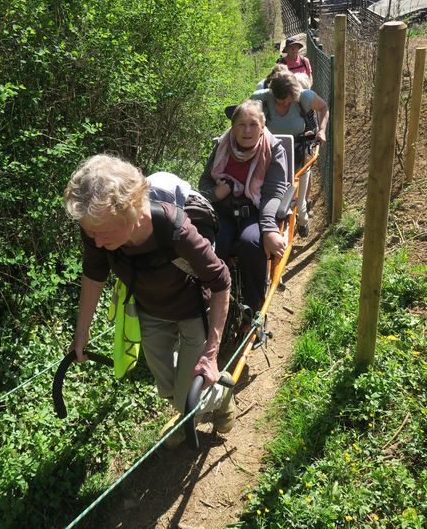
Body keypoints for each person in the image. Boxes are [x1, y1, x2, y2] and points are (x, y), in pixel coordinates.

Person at [64, 154, 235, 447]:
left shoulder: (175, 229)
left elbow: (221, 282)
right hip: (150, 312)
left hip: (193, 312)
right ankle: (186, 408)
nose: (97, 242)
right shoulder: (96, 228)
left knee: (185, 399)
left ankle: (217, 396)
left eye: (103, 233)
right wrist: (81, 333)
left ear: (132, 211)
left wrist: (211, 353)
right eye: (91, 233)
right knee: (165, 387)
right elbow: (94, 274)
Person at [199, 100, 288, 315]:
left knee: (252, 244)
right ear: (232, 126)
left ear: (262, 126)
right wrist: (216, 193)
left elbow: (273, 193)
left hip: (255, 213)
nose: (247, 130)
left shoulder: (274, 148)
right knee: (210, 246)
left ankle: (253, 311)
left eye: (253, 124)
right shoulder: (222, 145)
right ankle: (207, 305)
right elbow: (204, 184)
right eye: (240, 124)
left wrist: (269, 229)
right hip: (224, 211)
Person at [250, 70, 329, 237]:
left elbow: (323, 107)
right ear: (273, 94)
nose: (286, 103)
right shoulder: (261, 98)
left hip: (299, 151)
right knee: (272, 190)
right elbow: (245, 117)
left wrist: (321, 130)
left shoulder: (304, 97)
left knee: (299, 192)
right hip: (270, 152)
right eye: (280, 101)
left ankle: (302, 218)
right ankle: (271, 223)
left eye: (289, 100)